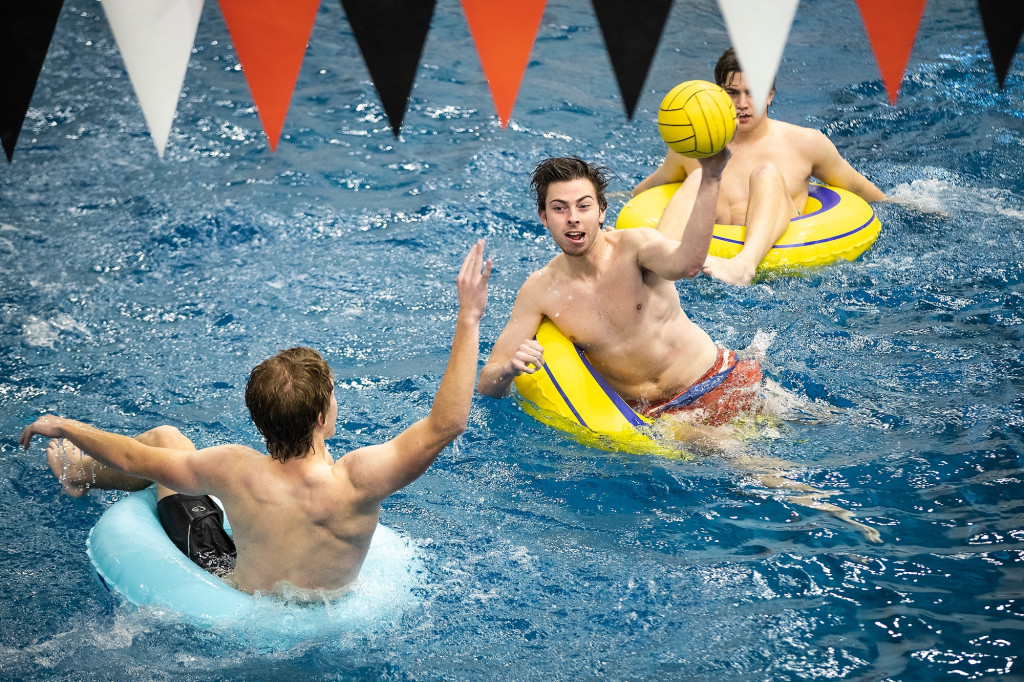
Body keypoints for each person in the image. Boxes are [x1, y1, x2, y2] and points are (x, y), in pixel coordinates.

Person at [20, 241, 494, 597]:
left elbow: (135, 456)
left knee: (164, 437)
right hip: (319, 611)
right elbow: (446, 423)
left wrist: (67, 426)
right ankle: (76, 472)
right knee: (164, 445)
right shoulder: (357, 483)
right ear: (322, 415)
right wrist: (468, 317)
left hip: (239, 591)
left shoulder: (235, 468)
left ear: (260, 418)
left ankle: (74, 467)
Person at [477, 154, 881, 542]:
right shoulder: (539, 291)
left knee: (827, 420)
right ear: (544, 218)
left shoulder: (636, 248)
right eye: (560, 208)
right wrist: (510, 368)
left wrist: (711, 178)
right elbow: (487, 383)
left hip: (721, 375)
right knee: (732, 453)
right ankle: (829, 510)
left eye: (583, 206)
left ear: (601, 211)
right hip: (663, 416)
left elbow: (688, 263)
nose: (573, 218)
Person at [633, 48, 887, 286]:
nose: (742, 103)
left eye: (752, 91)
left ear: (770, 94)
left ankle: (745, 264)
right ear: (718, 95)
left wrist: (913, 205)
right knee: (699, 175)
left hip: (783, 273)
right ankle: (655, 261)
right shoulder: (693, 147)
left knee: (767, 173)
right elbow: (645, 192)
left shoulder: (805, 144)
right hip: (705, 271)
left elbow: (861, 189)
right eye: (732, 93)